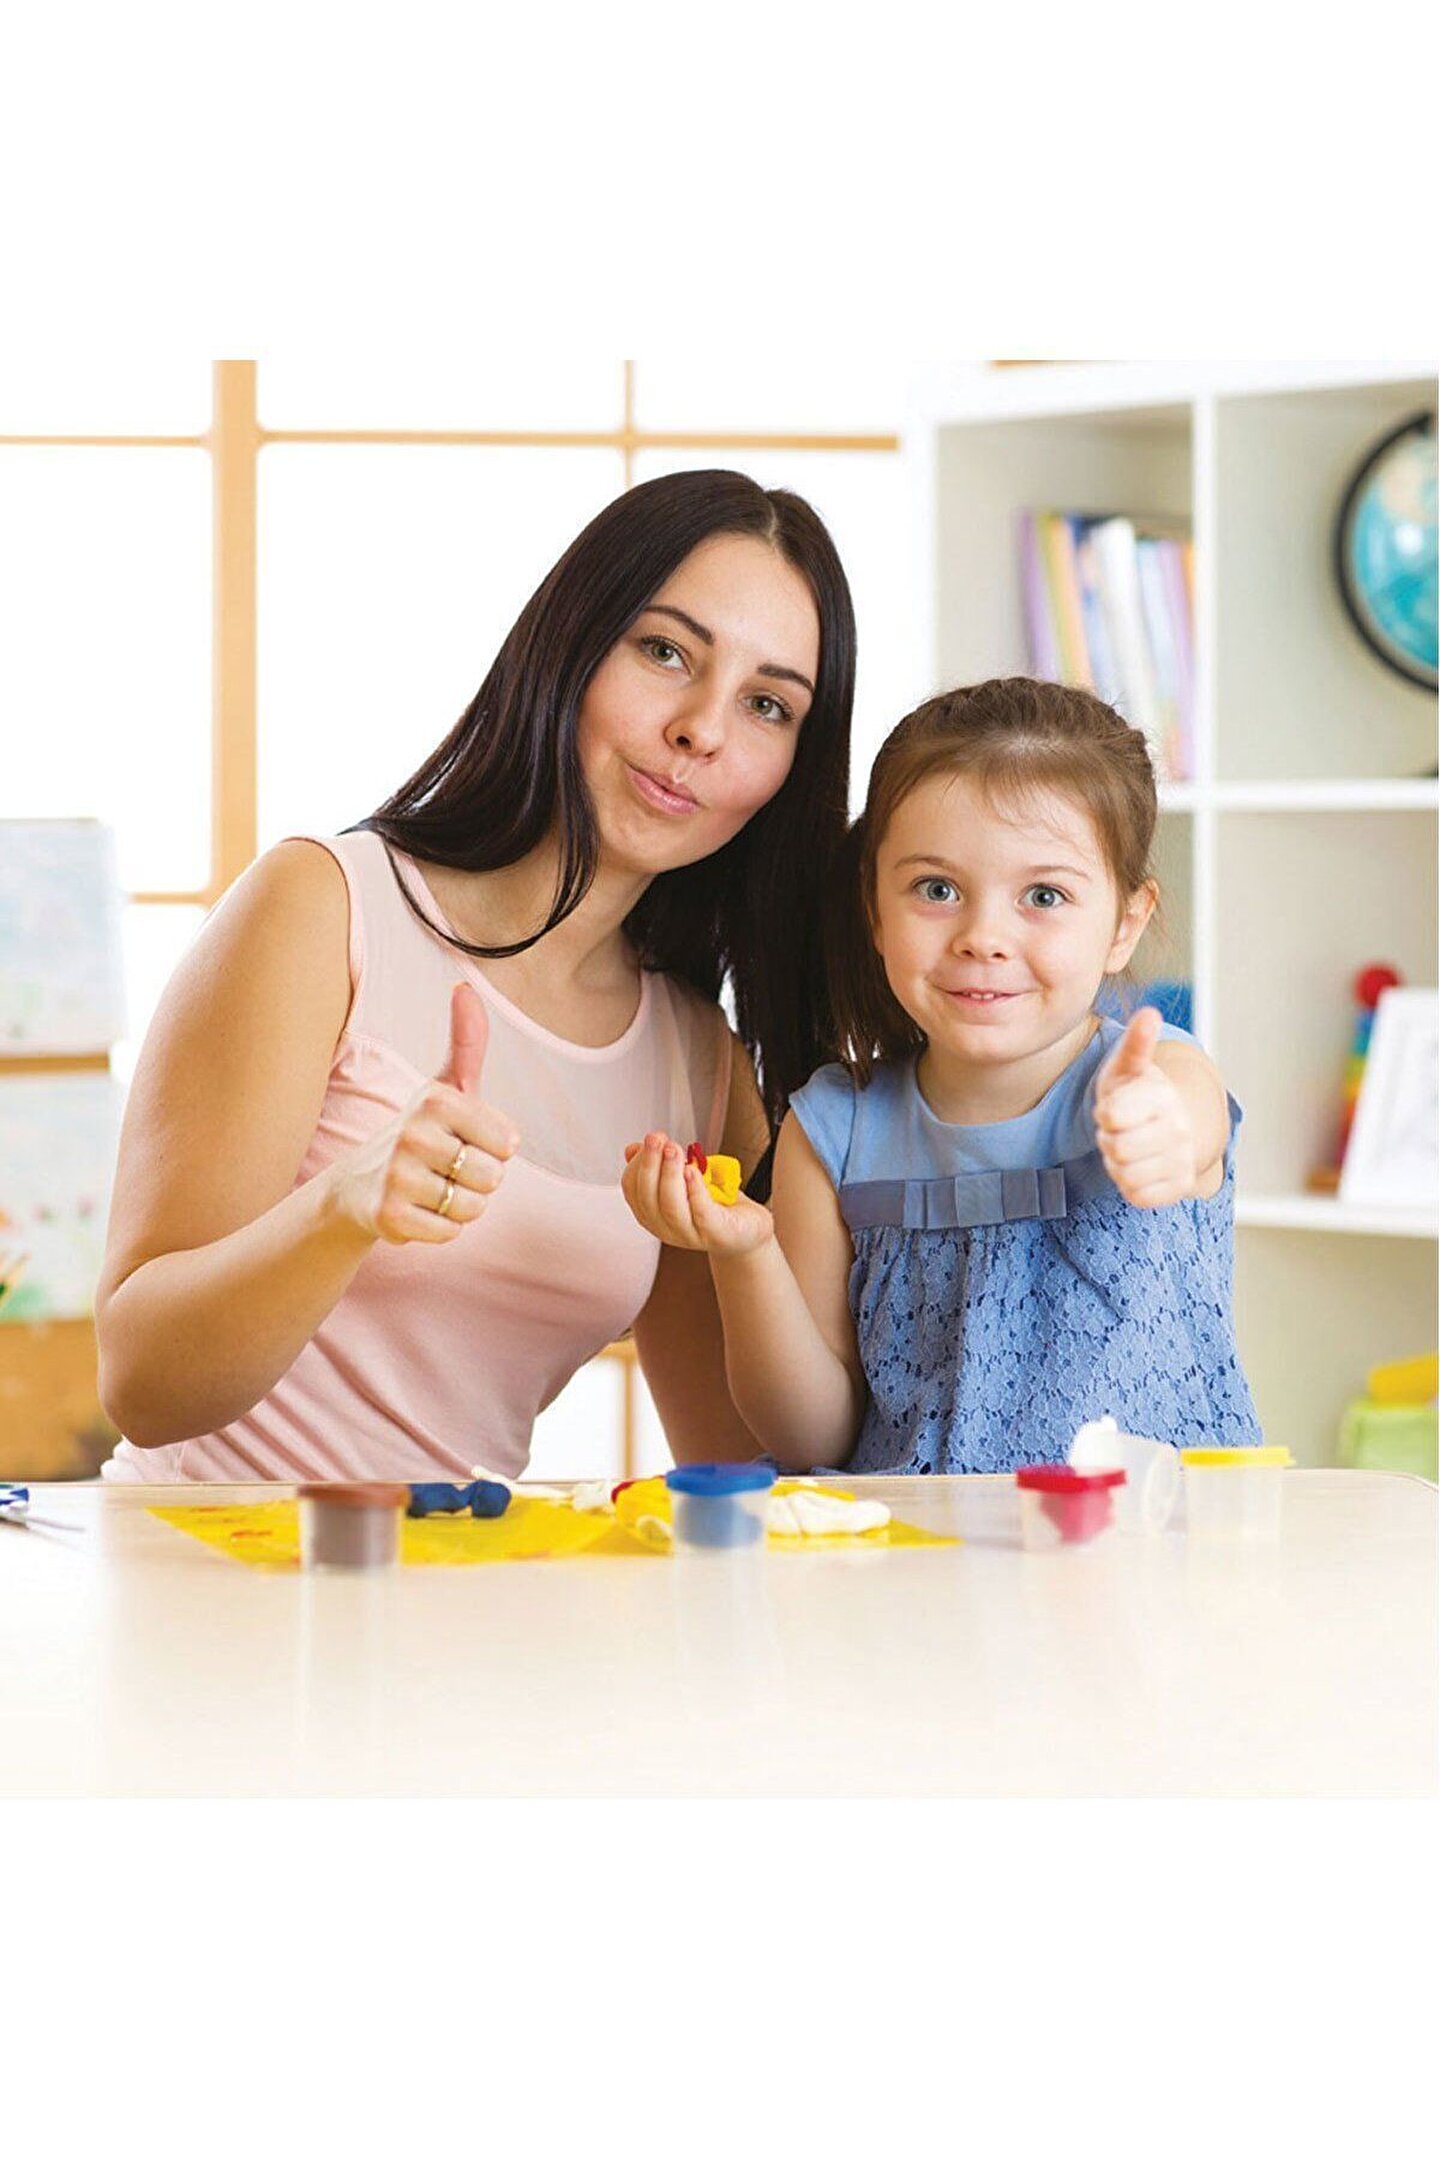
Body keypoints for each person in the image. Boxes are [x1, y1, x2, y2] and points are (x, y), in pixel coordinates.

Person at [95, 470, 855, 1481]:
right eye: (666, 651)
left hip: (466, 1574)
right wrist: (344, 1207)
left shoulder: (696, 1063)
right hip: (203, 1563)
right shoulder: (325, 908)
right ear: (572, 642)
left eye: (767, 705)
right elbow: (142, 1385)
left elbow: (740, 1467)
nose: (703, 730)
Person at [621, 676, 1262, 1472]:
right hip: (922, 1547)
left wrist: (1162, 1133)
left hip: (1152, 1542)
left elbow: (1190, 1123)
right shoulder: (833, 1131)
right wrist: (746, 1253)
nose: (982, 936)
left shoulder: (1157, 1076)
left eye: (1044, 895)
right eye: (937, 889)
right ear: (875, 907)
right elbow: (812, 1440)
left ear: (1125, 923)